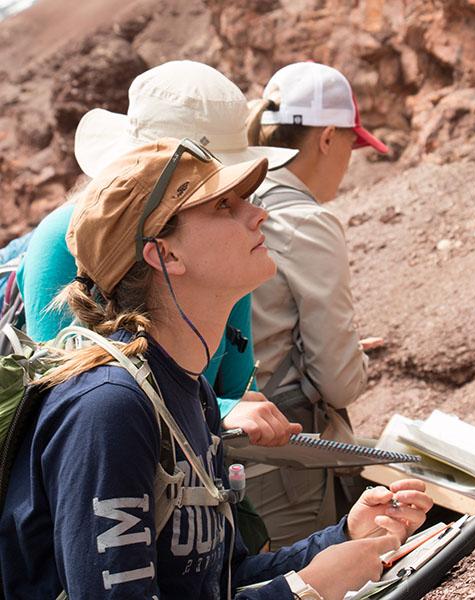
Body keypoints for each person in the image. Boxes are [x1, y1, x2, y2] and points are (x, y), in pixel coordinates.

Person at [0, 138, 432, 599]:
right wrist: (306, 589)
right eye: (224, 206)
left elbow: (219, 579)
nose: (257, 214)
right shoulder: (107, 409)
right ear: (165, 255)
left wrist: (342, 537)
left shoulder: (190, 391)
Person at [16, 60, 299, 447]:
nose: (253, 212)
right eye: (220, 200)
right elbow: (64, 401)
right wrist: (223, 408)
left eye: (240, 194)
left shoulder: (220, 253)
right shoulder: (61, 241)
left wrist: (226, 406)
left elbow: (235, 385)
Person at [244, 62, 390, 548]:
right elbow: (338, 380)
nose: (351, 158)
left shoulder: (237, 200)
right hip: (287, 464)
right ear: (328, 137)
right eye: (352, 142)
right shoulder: (306, 221)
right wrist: (354, 356)